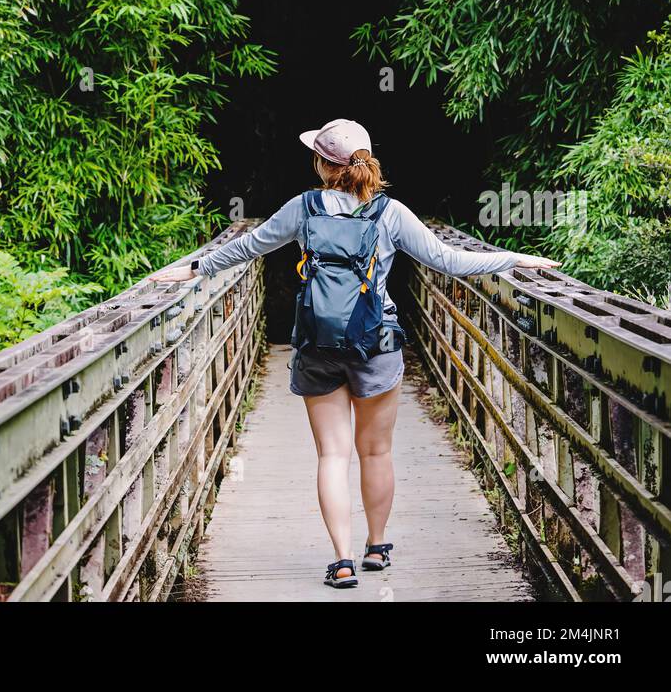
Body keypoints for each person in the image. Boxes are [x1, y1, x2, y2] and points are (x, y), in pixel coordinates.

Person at [153, 118, 560, 589]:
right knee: (377, 450)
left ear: (322, 164)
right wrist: (514, 259)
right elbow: (449, 259)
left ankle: (341, 560)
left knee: (332, 455)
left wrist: (196, 268)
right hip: (377, 342)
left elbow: (249, 246)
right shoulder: (390, 212)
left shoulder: (303, 208)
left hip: (316, 344)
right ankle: (376, 547)